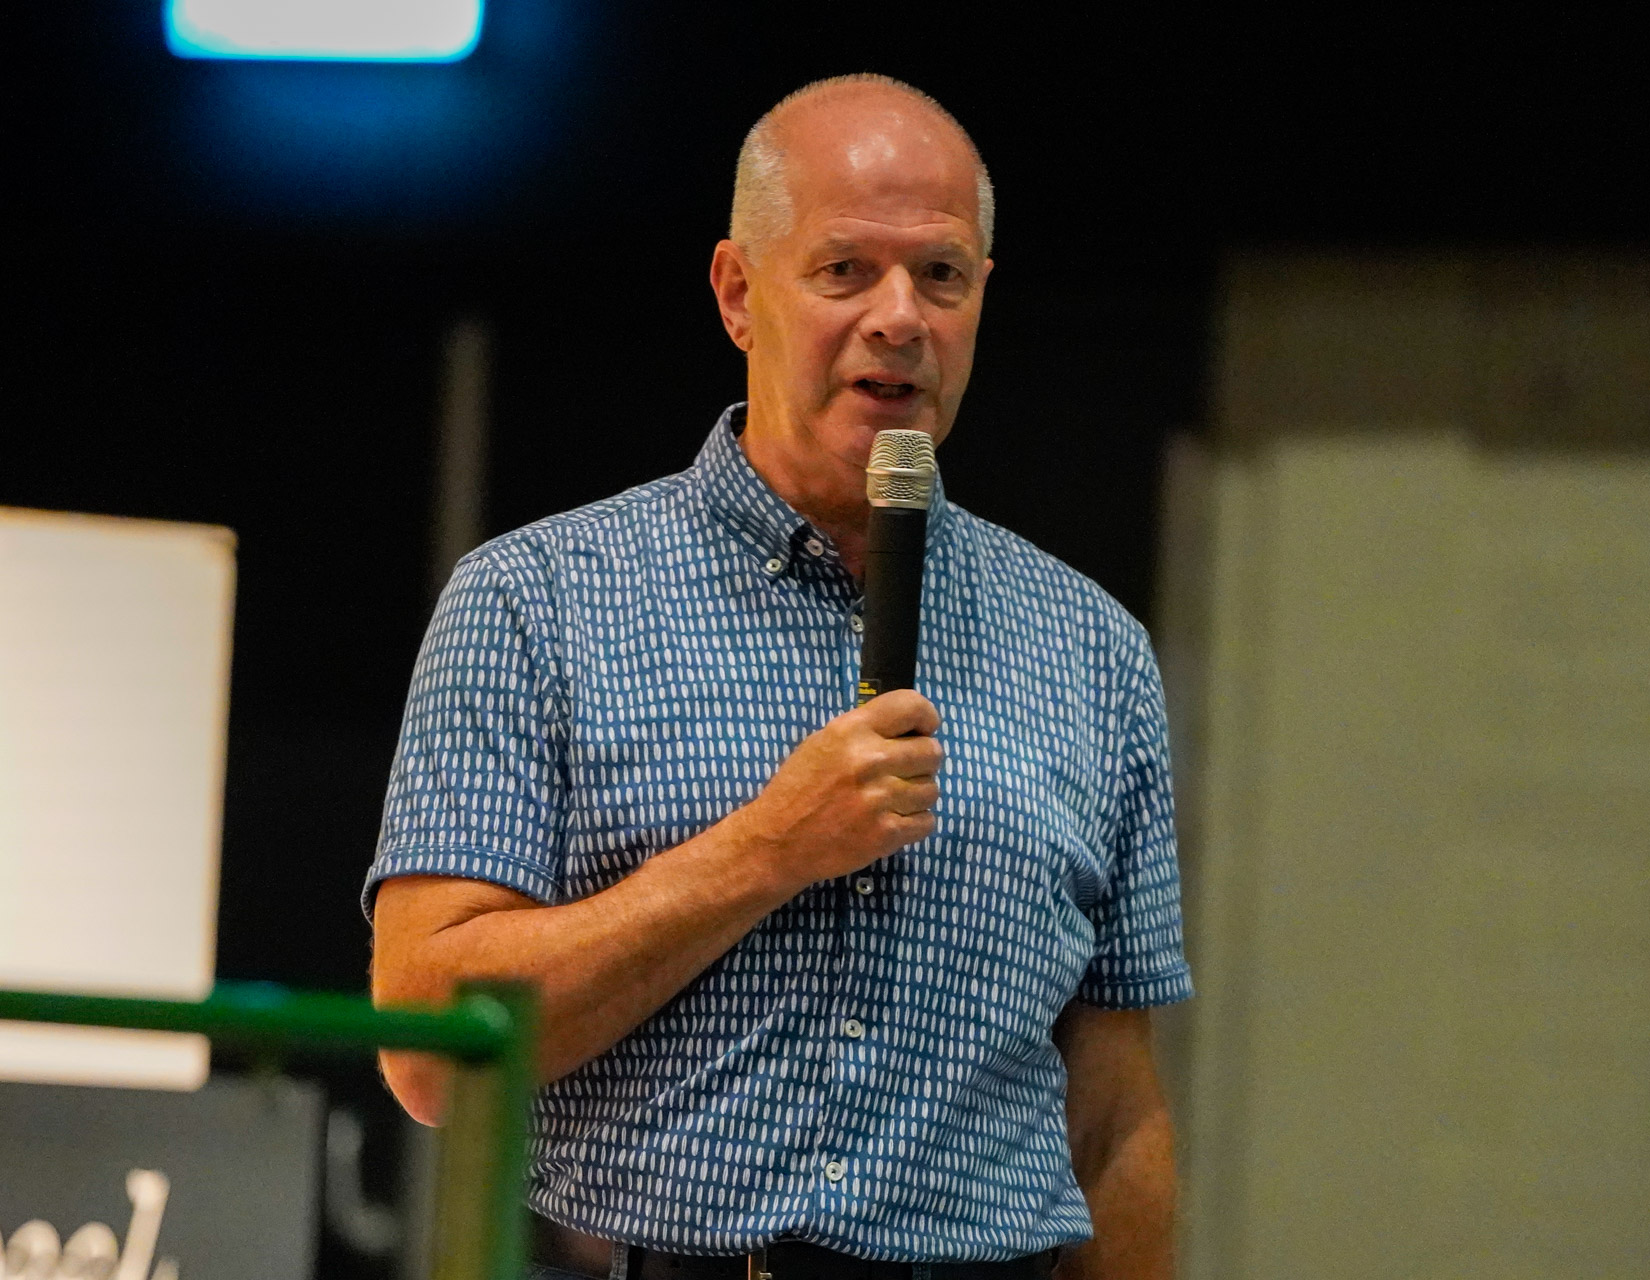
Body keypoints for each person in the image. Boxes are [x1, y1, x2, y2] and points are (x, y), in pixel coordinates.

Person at [366, 74, 1190, 1280]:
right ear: (739, 293)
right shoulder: (537, 600)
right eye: (846, 270)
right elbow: (430, 1048)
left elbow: (1114, 1109)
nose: (900, 317)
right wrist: (765, 850)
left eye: (942, 275)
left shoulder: (1095, 649)